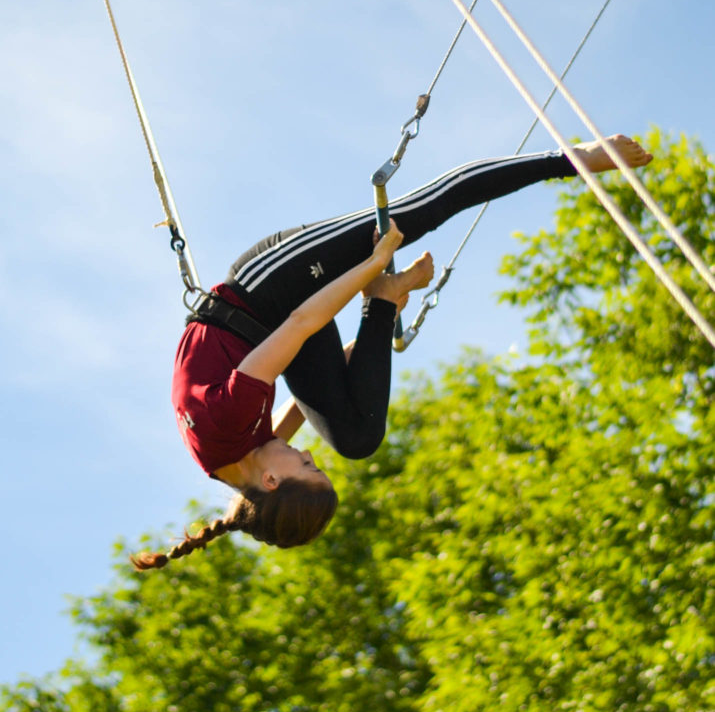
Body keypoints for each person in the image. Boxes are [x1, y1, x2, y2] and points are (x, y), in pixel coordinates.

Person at [131, 135, 652, 570]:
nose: (311, 455)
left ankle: (573, 158)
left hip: (267, 285)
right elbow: (312, 394)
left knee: (418, 214)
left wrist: (374, 264)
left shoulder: (226, 424)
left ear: (271, 482)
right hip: (274, 332)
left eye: (307, 467)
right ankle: (383, 298)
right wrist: (374, 337)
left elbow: (302, 322)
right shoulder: (239, 458)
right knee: (357, 438)